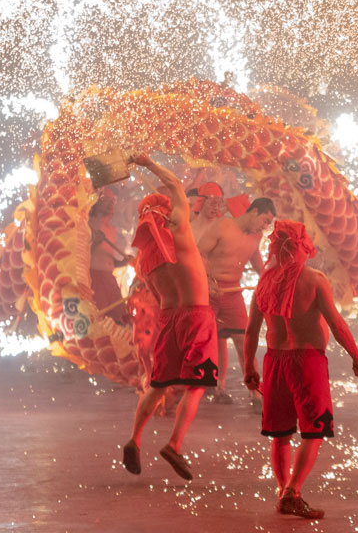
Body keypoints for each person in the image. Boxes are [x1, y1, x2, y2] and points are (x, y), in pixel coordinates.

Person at [243, 220, 358, 521]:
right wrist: (357, 357)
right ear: (301, 245)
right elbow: (337, 324)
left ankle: (283, 491)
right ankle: (292, 492)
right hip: (307, 361)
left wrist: (249, 365)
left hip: (274, 361)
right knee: (314, 431)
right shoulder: (314, 279)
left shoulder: (263, 281)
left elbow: (250, 331)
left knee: (280, 434)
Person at [121, 154, 216, 481]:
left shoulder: (145, 261)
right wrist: (147, 163)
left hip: (170, 319)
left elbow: (160, 297)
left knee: (159, 384)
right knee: (197, 385)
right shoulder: (182, 232)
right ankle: (174, 444)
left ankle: (134, 438)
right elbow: (176, 184)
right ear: (167, 212)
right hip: (197, 317)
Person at [197, 197, 276, 403]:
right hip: (209, 293)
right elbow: (198, 252)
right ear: (254, 212)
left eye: (269, 223)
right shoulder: (223, 225)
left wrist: (271, 281)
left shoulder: (256, 236)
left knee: (244, 342)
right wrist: (206, 279)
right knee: (208, 342)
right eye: (265, 220)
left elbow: (257, 261)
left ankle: (255, 392)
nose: (265, 226)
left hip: (233, 294)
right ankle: (209, 389)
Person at [88, 189, 132, 321]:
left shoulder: (111, 229)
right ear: (97, 202)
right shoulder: (90, 223)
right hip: (95, 277)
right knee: (99, 317)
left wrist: (123, 262)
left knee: (120, 317)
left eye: (113, 200)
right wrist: (95, 242)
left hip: (109, 278)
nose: (110, 203)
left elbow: (108, 258)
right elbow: (82, 253)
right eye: (106, 199)